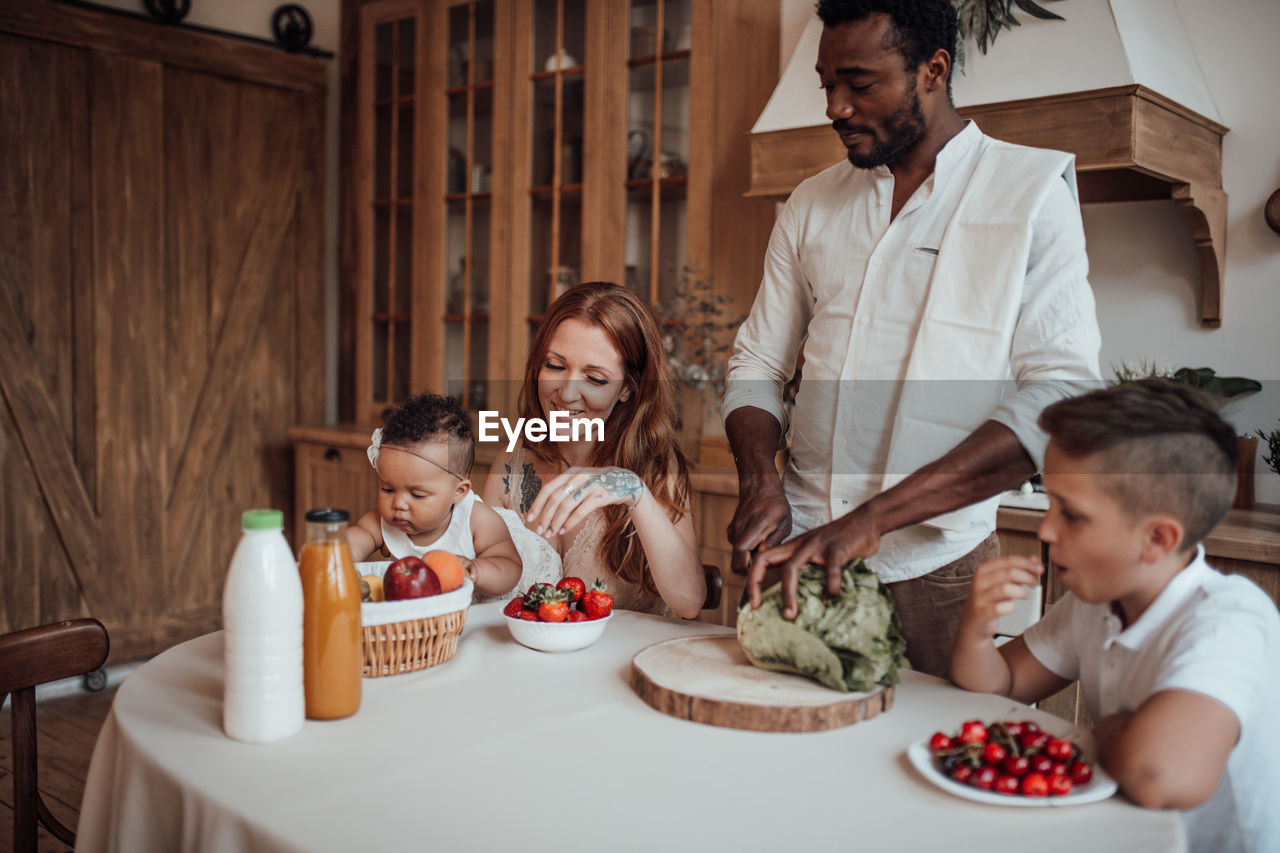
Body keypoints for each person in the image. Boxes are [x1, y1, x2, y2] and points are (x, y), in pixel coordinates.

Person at [723, 0, 1101, 678]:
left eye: (860, 84)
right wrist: (759, 479)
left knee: (934, 762)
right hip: (799, 548)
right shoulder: (810, 203)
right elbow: (756, 359)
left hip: (940, 568)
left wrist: (874, 518)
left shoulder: (1030, 192)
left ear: (933, 69)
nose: (835, 107)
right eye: (826, 85)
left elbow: (1062, 397)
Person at [950, 379, 1280, 852]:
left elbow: (1159, 774)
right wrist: (977, 633)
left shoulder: (1231, 617)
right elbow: (1001, 686)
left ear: (1158, 540)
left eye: (1072, 514)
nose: (1046, 528)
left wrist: (1103, 730)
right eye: (1050, 503)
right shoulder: (1096, 601)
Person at [481, 282, 706, 619]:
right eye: (555, 366)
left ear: (628, 389)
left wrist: (633, 491)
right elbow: (478, 585)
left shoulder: (656, 466)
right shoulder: (511, 466)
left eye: (596, 378)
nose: (567, 393)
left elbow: (689, 601)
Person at [347, 392, 522, 599]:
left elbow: (510, 567)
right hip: (411, 624)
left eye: (418, 495)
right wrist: (330, 551)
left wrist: (477, 570)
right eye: (388, 489)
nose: (399, 504)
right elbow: (356, 540)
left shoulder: (477, 520)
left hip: (467, 619)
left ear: (459, 491)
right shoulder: (382, 523)